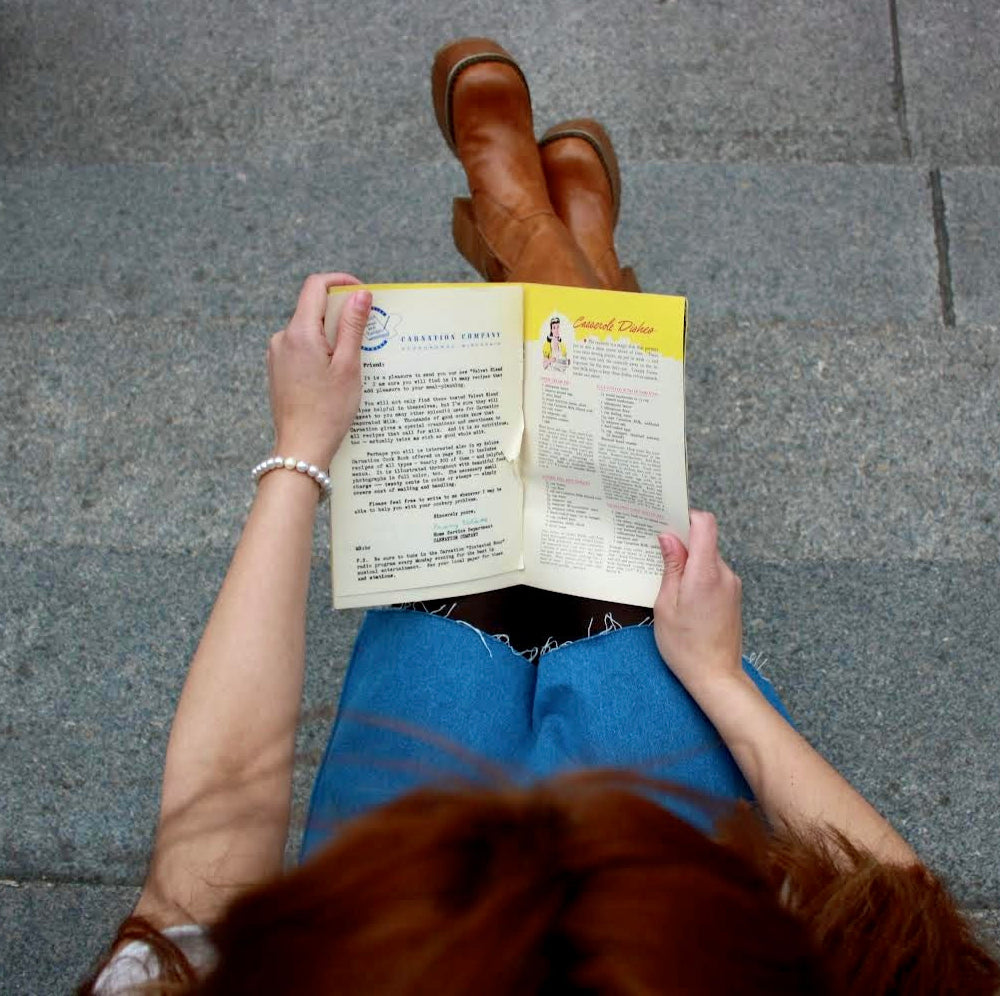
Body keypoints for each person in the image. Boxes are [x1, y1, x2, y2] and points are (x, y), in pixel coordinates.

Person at [80, 38, 999, 995]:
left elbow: (201, 868)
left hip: (403, 898)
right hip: (658, 902)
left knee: (470, 533)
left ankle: (537, 244)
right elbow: (905, 931)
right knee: (604, 548)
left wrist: (301, 452)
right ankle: (548, 247)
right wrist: (722, 682)